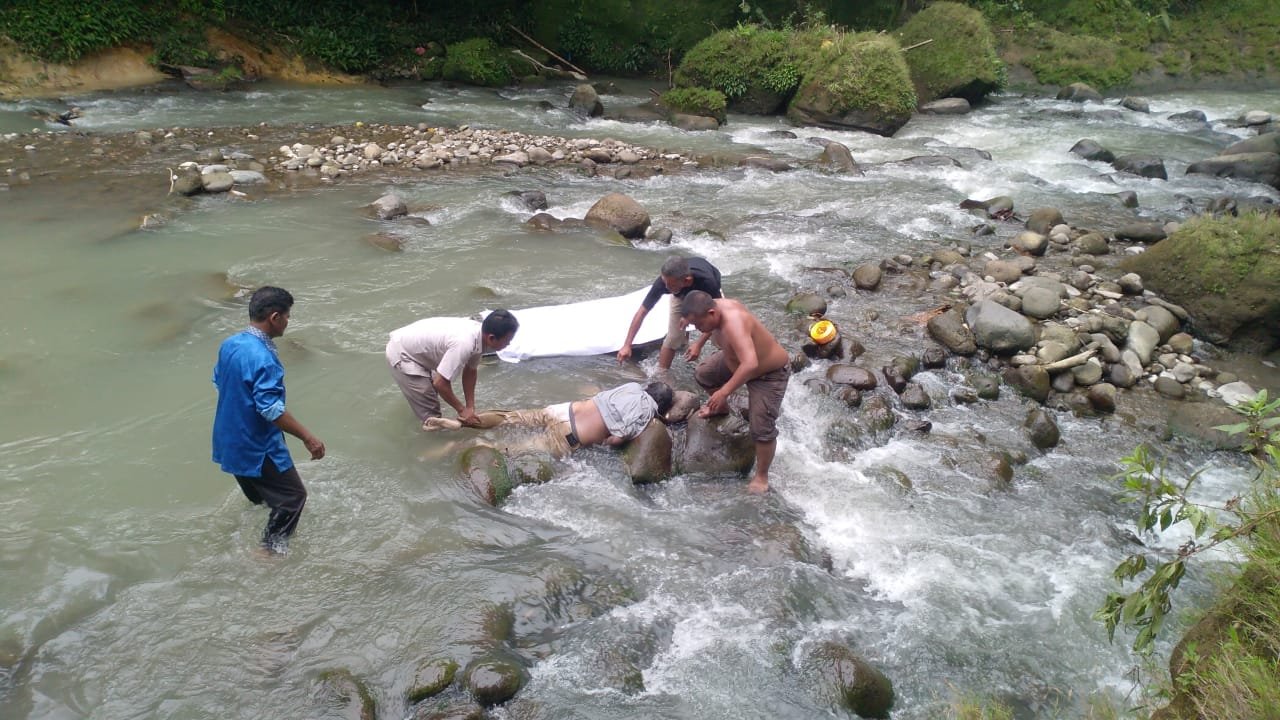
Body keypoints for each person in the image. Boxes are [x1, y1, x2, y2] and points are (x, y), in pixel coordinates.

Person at [212, 286, 325, 554]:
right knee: (292, 498)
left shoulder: (231, 344)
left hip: (228, 439)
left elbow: (220, 381)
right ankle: (268, 553)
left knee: (262, 500)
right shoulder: (265, 359)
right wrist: (309, 438)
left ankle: (259, 542)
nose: (288, 321)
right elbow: (270, 409)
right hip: (257, 445)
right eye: (287, 316)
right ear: (274, 317)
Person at [680, 290, 790, 494]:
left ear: (712, 313)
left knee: (761, 429)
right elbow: (707, 322)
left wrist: (724, 391)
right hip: (734, 361)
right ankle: (721, 409)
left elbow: (750, 364)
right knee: (704, 374)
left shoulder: (734, 323)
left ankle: (761, 476)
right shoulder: (714, 309)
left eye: (698, 325)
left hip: (767, 375)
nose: (698, 329)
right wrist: (698, 342)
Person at [424, 381, 675, 458]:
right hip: (569, 436)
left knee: (509, 418)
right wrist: (607, 440)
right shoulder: (647, 411)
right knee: (508, 450)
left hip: (560, 410)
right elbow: (616, 440)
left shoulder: (631, 387)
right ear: (659, 406)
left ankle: (460, 423)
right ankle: (458, 448)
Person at [386, 310, 519, 429]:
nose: (508, 344)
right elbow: (440, 383)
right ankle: (432, 446)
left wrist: (470, 407)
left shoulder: (480, 336)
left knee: (432, 394)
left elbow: (470, 371)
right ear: (491, 338)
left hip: (417, 348)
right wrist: (462, 410)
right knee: (432, 414)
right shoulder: (464, 343)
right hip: (403, 353)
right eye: (507, 341)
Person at [617, 255, 723, 370]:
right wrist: (627, 345)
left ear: (686, 280)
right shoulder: (665, 283)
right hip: (681, 296)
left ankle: (723, 367)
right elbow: (642, 312)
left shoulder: (708, 282)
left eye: (670, 285)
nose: (665, 288)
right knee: (673, 338)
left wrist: (699, 344)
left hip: (706, 297)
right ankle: (662, 375)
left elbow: (717, 316)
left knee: (719, 336)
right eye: (664, 282)